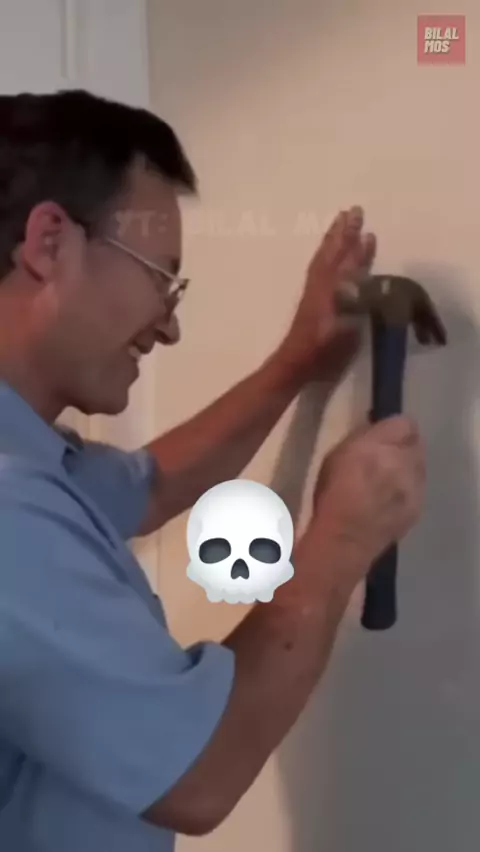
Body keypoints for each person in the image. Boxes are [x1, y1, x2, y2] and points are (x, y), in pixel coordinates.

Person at [0, 89, 425, 852]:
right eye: (159, 277)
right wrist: (338, 541)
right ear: (50, 243)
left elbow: (153, 484)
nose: (168, 324)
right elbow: (195, 776)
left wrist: (296, 361)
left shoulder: (31, 461)